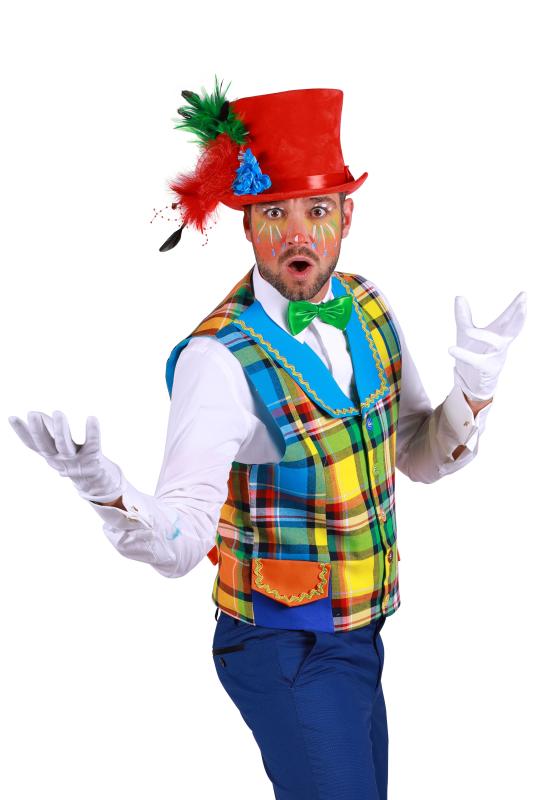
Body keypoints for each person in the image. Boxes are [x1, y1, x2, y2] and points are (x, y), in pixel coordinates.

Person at [8, 82, 527, 800]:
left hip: (360, 630)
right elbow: (184, 541)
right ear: (247, 226)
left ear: (346, 217)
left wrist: (474, 388)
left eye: (317, 210)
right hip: (283, 644)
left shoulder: (368, 306)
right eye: (274, 213)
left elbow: (414, 455)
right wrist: (109, 493)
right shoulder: (217, 359)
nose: (296, 234)